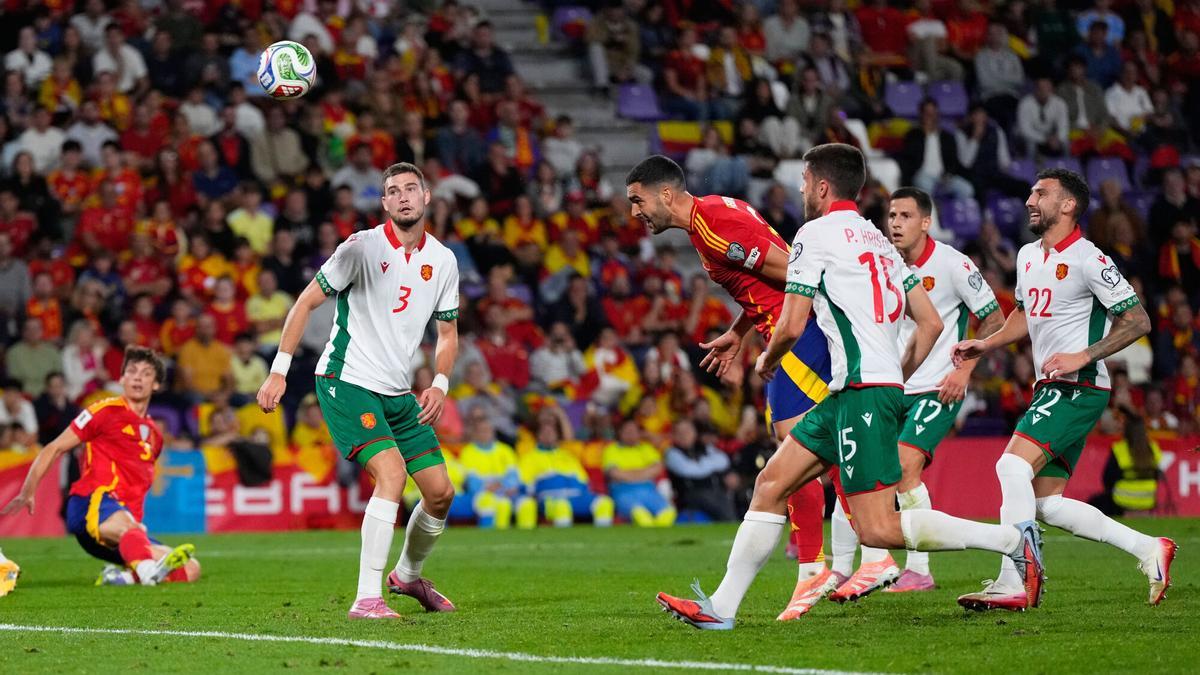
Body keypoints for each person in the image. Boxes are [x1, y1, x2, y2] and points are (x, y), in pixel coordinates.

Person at [656, 143, 1045, 630]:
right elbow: (927, 323)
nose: (799, 190)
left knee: (878, 529)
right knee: (771, 483)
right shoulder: (880, 242)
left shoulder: (813, 235)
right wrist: (896, 378)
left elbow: (793, 324)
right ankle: (721, 608)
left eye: (803, 181)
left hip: (861, 391)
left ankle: (1012, 541)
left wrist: (767, 358)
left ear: (821, 186)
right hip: (855, 390)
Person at [952, 168, 1176, 610]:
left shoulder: (1090, 259)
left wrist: (1084, 355)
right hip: (1051, 386)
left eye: (1041, 193)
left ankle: (1014, 578)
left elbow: (1138, 320)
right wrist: (987, 342)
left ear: (1068, 205)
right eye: (1031, 192)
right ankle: (1150, 549)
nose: (1030, 200)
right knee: (1046, 504)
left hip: (1079, 385)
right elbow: (1024, 312)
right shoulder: (1027, 255)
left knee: (1011, 468)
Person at [625, 153, 834, 620]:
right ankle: (827, 564)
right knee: (807, 449)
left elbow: (794, 272)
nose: (634, 212)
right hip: (787, 331)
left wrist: (781, 332)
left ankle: (819, 566)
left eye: (638, 201)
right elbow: (760, 278)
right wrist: (740, 333)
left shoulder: (714, 227)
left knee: (794, 450)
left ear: (665, 194)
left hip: (798, 333)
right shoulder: (713, 217)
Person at [257, 162, 461, 620]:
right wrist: (278, 370)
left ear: (426, 198)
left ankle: (406, 576)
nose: (404, 196)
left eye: (412, 188)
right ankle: (366, 598)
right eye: (393, 191)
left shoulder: (444, 261)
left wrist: (440, 383)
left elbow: (447, 334)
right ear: (384, 203)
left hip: (398, 391)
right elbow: (306, 301)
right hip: (345, 379)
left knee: (441, 492)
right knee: (391, 475)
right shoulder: (361, 248)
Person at [828, 188, 1005, 598]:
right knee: (857, 472)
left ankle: (919, 570)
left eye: (906, 216)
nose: (895, 223)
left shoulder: (954, 264)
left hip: (938, 387)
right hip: (889, 385)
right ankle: (841, 569)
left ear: (926, 222)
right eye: (891, 215)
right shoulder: (881, 263)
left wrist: (965, 370)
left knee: (906, 469)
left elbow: (994, 319)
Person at [1, 347, 199, 586]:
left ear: (156, 384)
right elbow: (54, 447)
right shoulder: (104, 411)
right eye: (132, 371)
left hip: (126, 529)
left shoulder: (155, 436)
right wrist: (28, 490)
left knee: (190, 568)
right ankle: (146, 572)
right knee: (129, 527)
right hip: (91, 504)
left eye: (146, 373)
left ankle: (122, 577)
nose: (137, 377)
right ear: (122, 379)